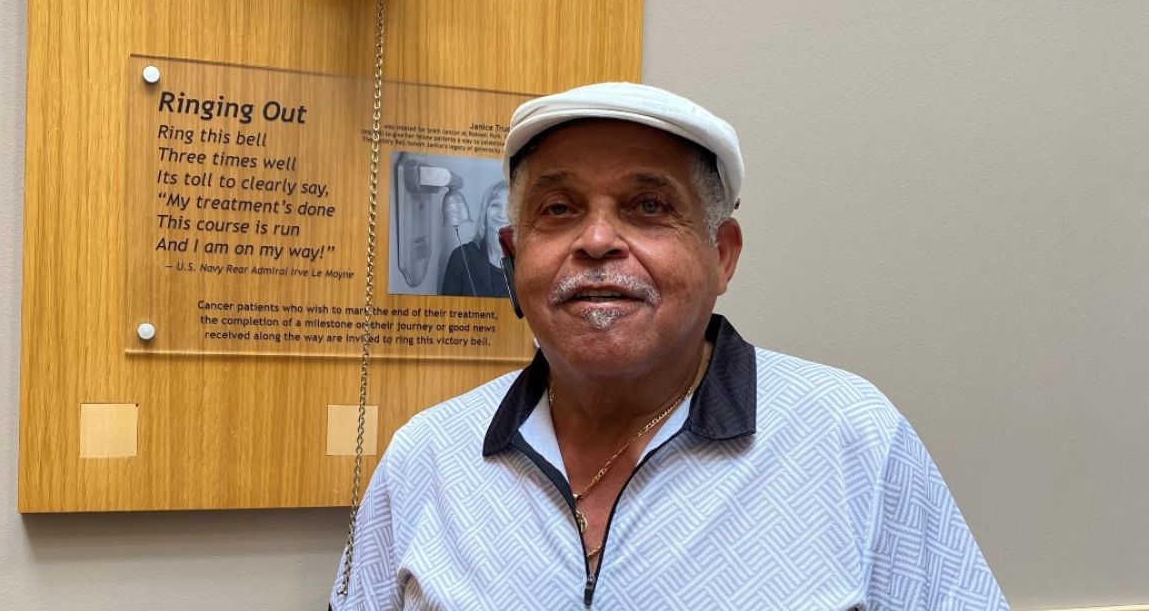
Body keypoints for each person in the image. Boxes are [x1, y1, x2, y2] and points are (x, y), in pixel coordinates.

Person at [331, 83, 1008, 610]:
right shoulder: (428, 456)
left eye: (648, 206)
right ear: (514, 255)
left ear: (722, 255)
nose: (596, 241)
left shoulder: (847, 438)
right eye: (559, 209)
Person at [440, 179, 510, 298]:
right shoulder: (460, 257)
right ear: (485, 210)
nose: (502, 214)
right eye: (495, 205)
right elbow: (446, 313)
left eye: (510, 207)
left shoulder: (528, 266)